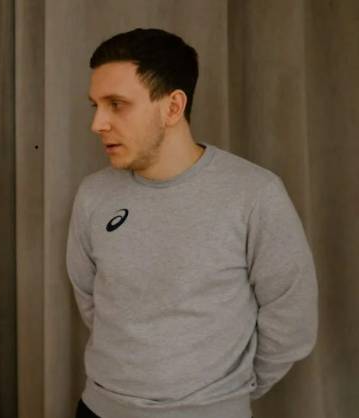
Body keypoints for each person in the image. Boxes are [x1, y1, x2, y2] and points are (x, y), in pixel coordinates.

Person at [67, 28, 318, 418]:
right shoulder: (93, 194)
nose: (98, 123)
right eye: (95, 106)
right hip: (99, 410)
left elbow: (292, 316)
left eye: (116, 104)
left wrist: (223, 396)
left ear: (173, 107)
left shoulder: (255, 194)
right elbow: (91, 300)